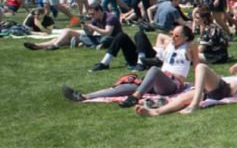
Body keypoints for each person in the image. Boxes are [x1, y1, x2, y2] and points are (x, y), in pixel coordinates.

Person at [62, 25, 200, 107]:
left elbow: (198, 67)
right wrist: (171, 38)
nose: (173, 37)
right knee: (125, 87)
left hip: (172, 84)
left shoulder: (189, 47)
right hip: (158, 82)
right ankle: (85, 96)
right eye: (172, 34)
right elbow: (161, 36)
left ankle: (135, 97)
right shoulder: (171, 45)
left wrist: (200, 84)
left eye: (177, 35)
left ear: (185, 38)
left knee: (154, 70)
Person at [135, 58, 237, 117]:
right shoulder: (233, 77)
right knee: (182, 99)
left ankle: (195, 105)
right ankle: (156, 112)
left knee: (200, 67)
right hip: (209, 92)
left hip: (223, 89)